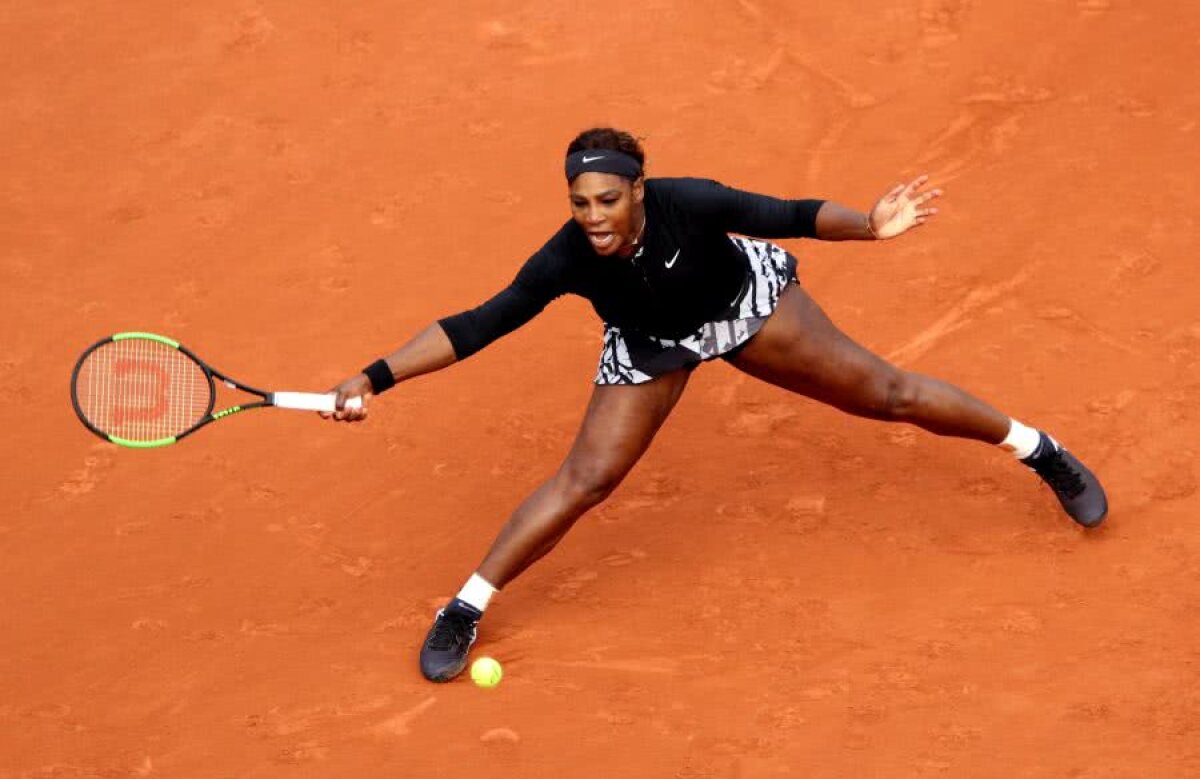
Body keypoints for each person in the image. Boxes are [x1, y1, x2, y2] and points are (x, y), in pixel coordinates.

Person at [321, 127, 1108, 683]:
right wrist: (375, 374)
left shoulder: (690, 202)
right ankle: (466, 604)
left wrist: (869, 226)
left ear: (637, 188)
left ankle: (1038, 447)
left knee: (890, 393)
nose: (591, 215)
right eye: (578, 202)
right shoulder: (566, 255)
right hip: (650, 344)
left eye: (605, 199)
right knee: (585, 479)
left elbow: (789, 213)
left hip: (748, 310)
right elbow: (480, 323)